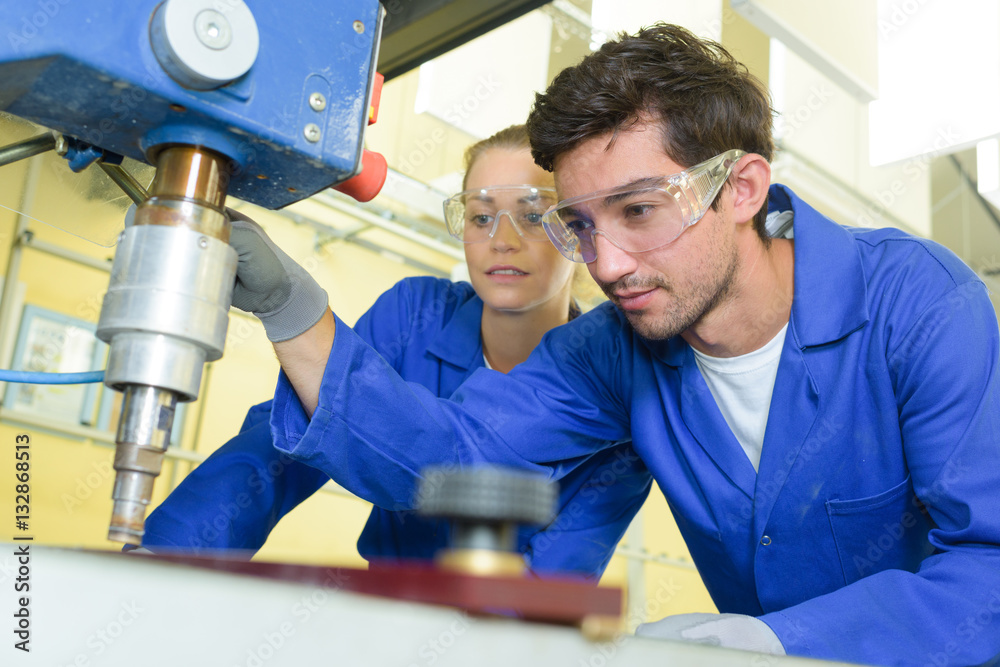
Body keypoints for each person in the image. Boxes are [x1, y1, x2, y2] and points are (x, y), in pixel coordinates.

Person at [232, 24, 1000, 666]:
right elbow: (455, 456)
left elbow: (989, 570)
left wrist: (777, 639)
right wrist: (293, 308)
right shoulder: (609, 349)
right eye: (582, 225)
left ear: (740, 188)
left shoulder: (916, 304)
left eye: (639, 210)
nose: (606, 265)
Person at [137, 125, 652, 580]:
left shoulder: (614, 381)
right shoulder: (415, 316)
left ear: (576, 226)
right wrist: (174, 560)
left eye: (534, 216)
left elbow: (552, 581)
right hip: (384, 609)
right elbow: (279, 452)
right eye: (480, 217)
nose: (502, 240)